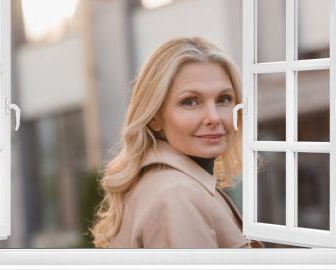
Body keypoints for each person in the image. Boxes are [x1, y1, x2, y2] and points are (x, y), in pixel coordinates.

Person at [90, 37, 263, 248]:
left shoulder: (175, 184)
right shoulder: (178, 194)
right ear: (154, 117)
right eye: (190, 102)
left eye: (223, 99)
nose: (214, 117)